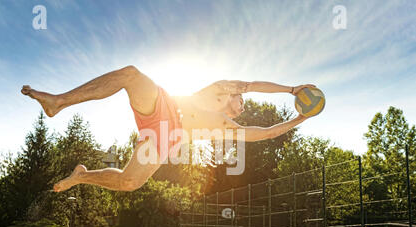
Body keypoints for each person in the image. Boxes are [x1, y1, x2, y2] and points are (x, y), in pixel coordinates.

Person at [21, 65, 316, 192]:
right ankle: (58, 102)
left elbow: (265, 133)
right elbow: (253, 85)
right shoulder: (222, 90)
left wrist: (298, 120)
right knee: (132, 75)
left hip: (164, 138)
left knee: (129, 182)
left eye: (243, 109)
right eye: (243, 102)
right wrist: (292, 89)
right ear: (236, 96)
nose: (243, 107)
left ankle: (81, 176)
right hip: (164, 104)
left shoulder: (227, 127)